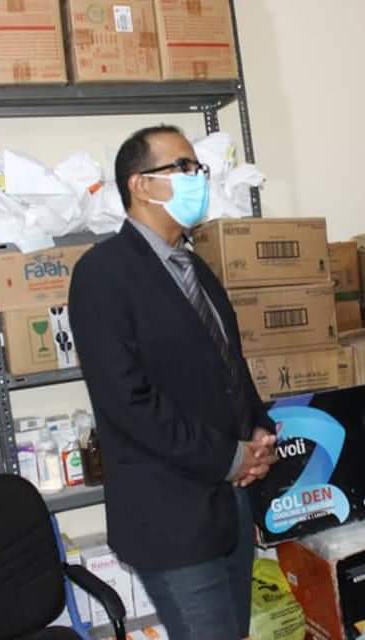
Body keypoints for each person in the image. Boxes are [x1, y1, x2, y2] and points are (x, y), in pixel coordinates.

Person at [69, 125, 279, 640]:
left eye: (197, 168)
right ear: (141, 184)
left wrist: (258, 430)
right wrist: (228, 456)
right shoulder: (102, 274)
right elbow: (128, 402)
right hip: (171, 518)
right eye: (183, 168)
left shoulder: (196, 268)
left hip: (229, 507)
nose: (197, 178)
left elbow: (231, 369)